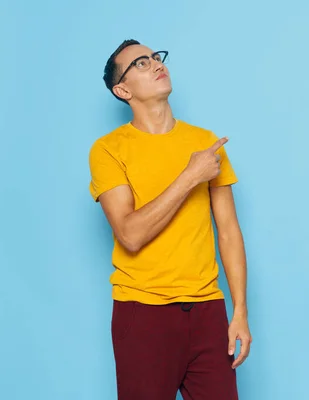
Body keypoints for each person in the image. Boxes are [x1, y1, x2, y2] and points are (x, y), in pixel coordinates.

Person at [88, 39, 251, 400]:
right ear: (123, 89)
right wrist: (191, 176)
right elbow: (130, 234)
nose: (155, 64)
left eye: (155, 57)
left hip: (208, 310)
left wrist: (239, 311)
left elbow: (229, 232)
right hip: (143, 313)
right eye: (140, 64)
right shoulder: (108, 150)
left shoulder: (205, 142)